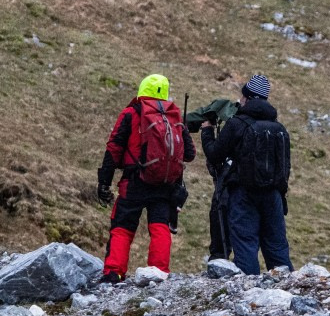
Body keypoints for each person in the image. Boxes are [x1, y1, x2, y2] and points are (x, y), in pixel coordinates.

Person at [98, 74, 195, 283]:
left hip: (134, 180)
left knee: (123, 226)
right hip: (165, 183)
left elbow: (114, 147)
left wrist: (104, 181)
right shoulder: (175, 116)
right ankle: (159, 272)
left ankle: (114, 272)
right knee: (160, 226)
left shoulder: (131, 112)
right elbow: (190, 154)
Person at [200, 74, 293, 275]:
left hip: (243, 194)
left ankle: (249, 293)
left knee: (245, 244)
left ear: (247, 98)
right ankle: (286, 294)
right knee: (277, 247)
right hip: (274, 196)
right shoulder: (279, 128)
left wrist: (207, 131)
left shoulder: (237, 123)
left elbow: (215, 154)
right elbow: (285, 167)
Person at [185, 97, 240, 262]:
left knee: (220, 216)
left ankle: (219, 260)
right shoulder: (263, 121)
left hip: (229, 180)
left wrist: (207, 131)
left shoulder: (227, 113)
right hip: (248, 182)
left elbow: (214, 154)